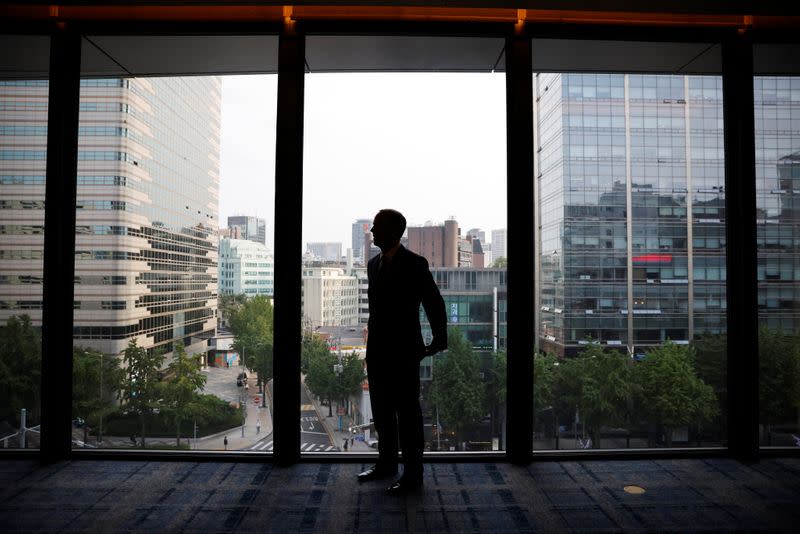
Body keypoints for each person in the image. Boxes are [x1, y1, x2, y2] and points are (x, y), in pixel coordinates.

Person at [357, 209, 447, 495]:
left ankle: (413, 474)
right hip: (378, 351)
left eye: (378, 226)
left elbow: (434, 302)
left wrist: (439, 338)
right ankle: (386, 464)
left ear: (394, 232)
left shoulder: (415, 264)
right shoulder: (373, 264)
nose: (372, 230)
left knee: (408, 414)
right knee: (382, 411)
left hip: (405, 351)